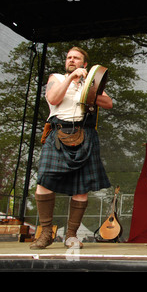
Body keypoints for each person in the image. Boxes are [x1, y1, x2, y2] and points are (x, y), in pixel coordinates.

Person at [30, 47, 113, 249]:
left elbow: (108, 103)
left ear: (85, 64)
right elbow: (53, 99)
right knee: (44, 182)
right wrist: (71, 79)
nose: (71, 60)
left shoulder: (91, 83)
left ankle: (71, 235)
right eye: (68, 57)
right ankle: (46, 233)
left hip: (85, 134)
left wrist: (89, 91)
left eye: (76, 58)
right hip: (58, 132)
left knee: (81, 188)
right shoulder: (56, 78)